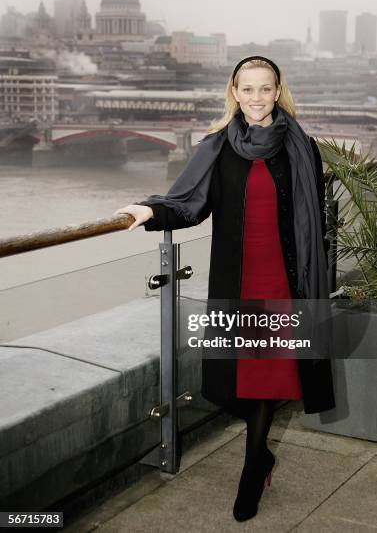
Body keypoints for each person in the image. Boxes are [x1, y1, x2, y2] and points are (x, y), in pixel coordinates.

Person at [113, 55, 335, 522]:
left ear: (279, 91)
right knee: (243, 383)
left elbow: (317, 219)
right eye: (247, 88)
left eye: (265, 88)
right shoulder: (216, 147)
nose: (256, 97)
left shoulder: (301, 146)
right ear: (234, 92)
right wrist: (151, 211)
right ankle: (263, 458)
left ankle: (252, 471)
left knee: (267, 379)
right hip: (239, 277)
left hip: (285, 278)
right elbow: (188, 203)